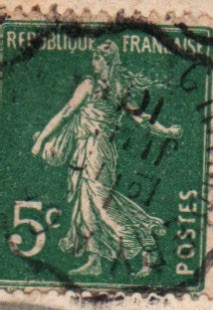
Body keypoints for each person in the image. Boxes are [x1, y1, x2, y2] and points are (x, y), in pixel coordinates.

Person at [30, 39, 181, 278]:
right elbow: (142, 119)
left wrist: (41, 140)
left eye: (98, 59)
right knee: (87, 207)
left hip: (95, 150)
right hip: (93, 149)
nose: (94, 63)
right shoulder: (118, 88)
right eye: (93, 58)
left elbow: (67, 113)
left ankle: (143, 248)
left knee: (103, 206)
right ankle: (97, 260)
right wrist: (167, 131)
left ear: (107, 62)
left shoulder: (92, 86)